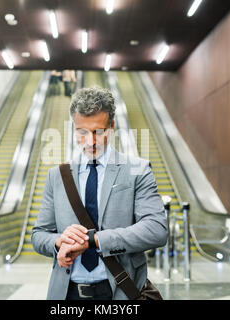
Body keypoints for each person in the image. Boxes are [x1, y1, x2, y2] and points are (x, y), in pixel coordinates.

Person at [32, 86, 168, 300]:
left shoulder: (137, 170)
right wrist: (58, 242)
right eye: (82, 132)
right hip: (67, 294)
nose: (90, 141)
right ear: (73, 129)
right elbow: (38, 234)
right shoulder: (57, 176)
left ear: (112, 127)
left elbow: (157, 230)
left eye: (98, 131)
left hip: (119, 292)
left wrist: (94, 239)